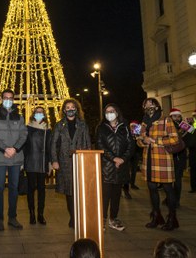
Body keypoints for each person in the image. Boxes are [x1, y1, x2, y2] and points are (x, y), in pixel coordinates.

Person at [0, 89, 28, 231]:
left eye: (11, 98)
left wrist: (14, 149)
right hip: (0, 158)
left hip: (15, 158)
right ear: (1, 99)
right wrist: (5, 149)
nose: (8, 100)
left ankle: (12, 217)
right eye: (6, 97)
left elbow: (24, 135)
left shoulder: (19, 117)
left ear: (13, 99)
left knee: (14, 189)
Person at [138, 98, 179, 231]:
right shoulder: (144, 123)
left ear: (157, 106)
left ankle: (172, 218)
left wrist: (155, 140)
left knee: (168, 188)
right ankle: (156, 216)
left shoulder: (166, 120)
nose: (148, 106)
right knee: (152, 188)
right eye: (146, 104)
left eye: (151, 104)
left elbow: (174, 138)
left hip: (162, 160)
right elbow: (139, 140)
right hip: (149, 159)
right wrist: (144, 140)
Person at [51, 98, 91, 229]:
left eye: (72, 107)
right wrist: (54, 160)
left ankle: (81, 215)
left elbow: (87, 143)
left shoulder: (83, 125)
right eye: (67, 107)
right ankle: (73, 218)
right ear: (64, 110)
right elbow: (54, 144)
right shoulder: (59, 125)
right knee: (69, 191)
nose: (70, 109)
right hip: (64, 162)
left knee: (79, 190)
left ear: (76, 109)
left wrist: (88, 159)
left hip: (80, 160)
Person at [96, 103, 133, 231]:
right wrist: (113, 158)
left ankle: (113, 218)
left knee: (116, 195)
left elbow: (131, 145)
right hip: (106, 166)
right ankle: (102, 219)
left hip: (121, 166)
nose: (109, 113)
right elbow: (100, 145)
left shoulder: (125, 127)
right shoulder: (101, 128)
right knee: (105, 195)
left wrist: (122, 158)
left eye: (112, 111)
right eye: (107, 111)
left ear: (117, 112)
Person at [24, 106, 51, 225]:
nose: (39, 114)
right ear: (33, 114)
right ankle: (31, 213)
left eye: (41, 112)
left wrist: (49, 162)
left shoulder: (48, 129)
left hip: (42, 162)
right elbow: (24, 145)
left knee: (41, 189)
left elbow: (50, 147)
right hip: (31, 160)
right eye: (37, 112)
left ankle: (40, 214)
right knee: (31, 188)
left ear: (44, 115)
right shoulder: (28, 128)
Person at [166, 108, 189, 207]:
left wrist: (193, 122)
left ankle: (176, 200)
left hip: (179, 156)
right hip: (170, 155)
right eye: (174, 116)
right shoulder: (169, 126)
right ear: (171, 116)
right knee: (169, 179)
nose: (177, 118)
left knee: (177, 179)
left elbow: (193, 131)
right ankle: (170, 198)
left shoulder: (183, 125)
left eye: (178, 116)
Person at [189, 109, 196, 193]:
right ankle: (193, 187)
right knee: (193, 169)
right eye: (194, 116)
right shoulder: (191, 125)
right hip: (193, 150)